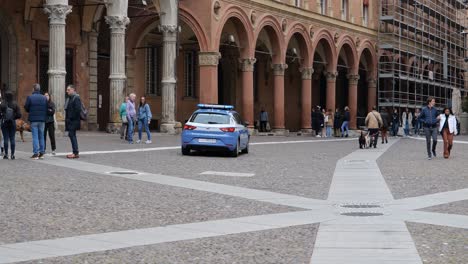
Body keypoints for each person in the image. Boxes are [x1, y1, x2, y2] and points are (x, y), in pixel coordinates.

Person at [24, 83, 47, 160]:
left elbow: (26, 107)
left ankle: (35, 153)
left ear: (33, 89)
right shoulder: (44, 98)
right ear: (39, 89)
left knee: (35, 137)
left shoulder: (30, 97)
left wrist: (30, 110)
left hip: (34, 120)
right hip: (42, 119)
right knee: (41, 136)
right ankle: (42, 153)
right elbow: (46, 107)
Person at [0, 92, 21, 159]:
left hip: (4, 122)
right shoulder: (15, 104)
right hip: (12, 123)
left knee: (5, 138)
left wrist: (3, 117)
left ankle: (6, 154)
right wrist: (13, 117)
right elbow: (19, 115)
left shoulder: (2, 104)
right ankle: (12, 155)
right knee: (12, 138)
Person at [64, 85, 82, 159]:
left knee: (72, 135)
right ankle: (75, 152)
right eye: (67, 90)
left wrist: (71, 117)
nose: (67, 91)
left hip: (73, 121)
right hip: (70, 121)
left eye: (68, 90)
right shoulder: (70, 98)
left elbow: (78, 110)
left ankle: (75, 152)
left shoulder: (76, 98)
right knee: (72, 135)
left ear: (73, 90)